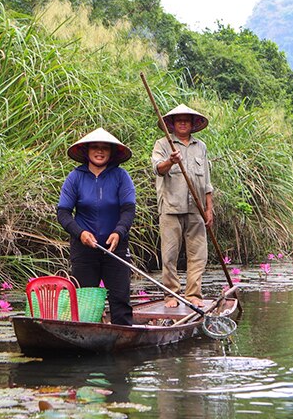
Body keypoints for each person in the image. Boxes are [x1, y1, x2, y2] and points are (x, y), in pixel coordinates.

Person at [57, 128, 136, 325]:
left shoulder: (121, 176)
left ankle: (124, 339)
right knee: (85, 301)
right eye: (95, 147)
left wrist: (119, 232)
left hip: (115, 247)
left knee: (120, 299)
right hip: (84, 249)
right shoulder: (75, 178)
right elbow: (63, 213)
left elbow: (128, 210)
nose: (99, 152)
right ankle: (85, 339)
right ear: (87, 151)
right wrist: (80, 233)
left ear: (111, 153)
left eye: (104, 148)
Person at [151, 104, 213, 308]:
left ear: (193, 124)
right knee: (169, 254)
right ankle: (171, 295)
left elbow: (206, 182)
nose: (183, 123)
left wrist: (208, 208)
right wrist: (171, 161)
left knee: (198, 254)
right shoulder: (162, 144)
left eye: (187, 119)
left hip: (196, 208)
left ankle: (193, 294)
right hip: (170, 208)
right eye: (179, 120)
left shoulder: (201, 146)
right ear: (172, 124)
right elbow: (158, 169)